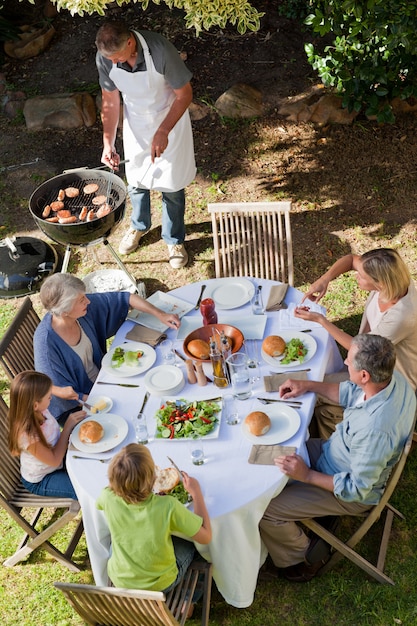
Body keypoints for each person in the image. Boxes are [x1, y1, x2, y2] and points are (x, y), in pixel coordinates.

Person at [259, 334, 416, 583]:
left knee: (265, 510)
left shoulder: (376, 431)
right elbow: (349, 392)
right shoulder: (390, 379)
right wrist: (308, 385)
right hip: (333, 452)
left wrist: (307, 476)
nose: (344, 362)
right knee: (272, 453)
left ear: (365, 374)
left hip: (345, 486)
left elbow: (358, 489)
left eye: (349, 361)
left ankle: (304, 559)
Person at [95, 19, 196, 269]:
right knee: (137, 180)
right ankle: (139, 226)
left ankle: (174, 239)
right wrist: (108, 143)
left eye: (118, 57)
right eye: (110, 59)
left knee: (171, 186)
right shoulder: (106, 56)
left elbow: (185, 95)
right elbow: (110, 100)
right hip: (136, 123)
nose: (114, 63)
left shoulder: (160, 50)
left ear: (130, 42)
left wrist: (163, 130)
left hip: (169, 118)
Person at [295, 248, 417, 437]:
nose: (356, 277)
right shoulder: (395, 280)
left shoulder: (401, 316)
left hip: (386, 381)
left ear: (381, 283)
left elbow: (360, 349)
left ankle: (330, 446)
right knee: (316, 395)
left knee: (313, 389)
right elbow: (351, 259)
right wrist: (325, 279)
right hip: (368, 363)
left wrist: (321, 321)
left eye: (361, 276)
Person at [34, 273, 180, 417]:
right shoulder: (46, 344)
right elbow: (63, 393)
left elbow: (126, 298)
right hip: (80, 406)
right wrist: (104, 400)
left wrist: (160, 314)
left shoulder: (79, 310)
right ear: (65, 311)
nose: (88, 301)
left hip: (107, 378)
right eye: (81, 300)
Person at [97, 443, 211, 603]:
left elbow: (108, 491)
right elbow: (206, 536)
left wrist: (119, 479)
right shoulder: (168, 506)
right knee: (198, 548)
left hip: (121, 579)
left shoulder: (107, 497)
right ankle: (187, 601)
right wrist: (197, 493)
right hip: (160, 585)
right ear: (153, 478)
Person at [8, 370, 86, 499]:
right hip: (42, 478)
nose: (51, 398)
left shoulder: (41, 410)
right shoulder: (28, 436)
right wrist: (67, 427)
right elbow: (54, 460)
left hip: (59, 459)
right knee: (83, 490)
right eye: (49, 397)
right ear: (35, 405)